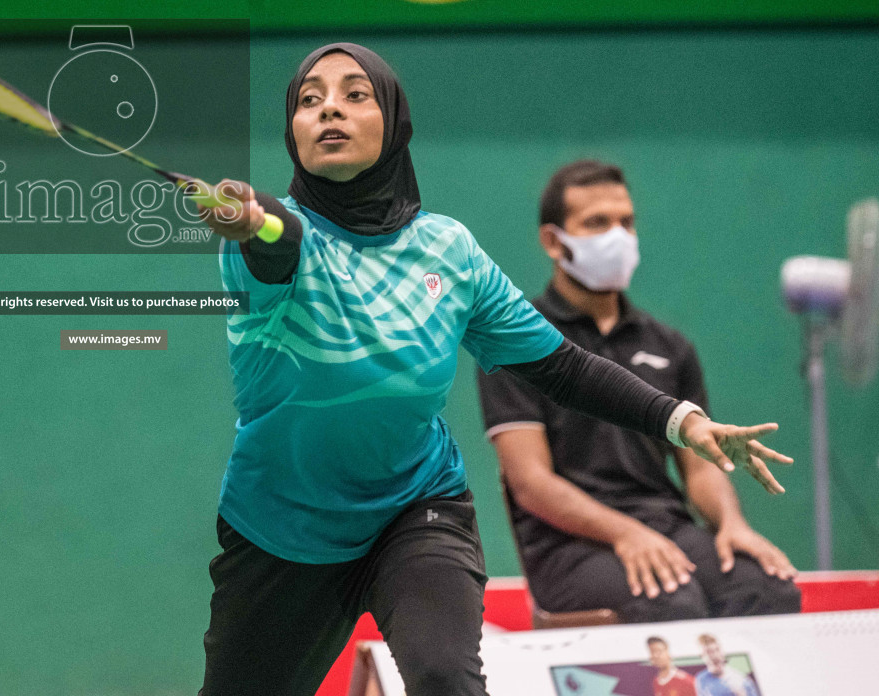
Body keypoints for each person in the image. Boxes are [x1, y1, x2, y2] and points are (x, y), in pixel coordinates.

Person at [192, 44, 791, 696]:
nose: (328, 107)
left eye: (355, 93)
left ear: (394, 121)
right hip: (282, 529)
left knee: (445, 674)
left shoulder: (447, 251)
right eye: (309, 100)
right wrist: (252, 219)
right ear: (292, 132)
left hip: (413, 509)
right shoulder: (274, 247)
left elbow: (561, 367)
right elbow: (278, 240)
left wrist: (680, 420)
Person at [478, 160, 801, 623]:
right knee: (671, 602)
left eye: (625, 222)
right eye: (596, 223)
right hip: (571, 547)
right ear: (553, 241)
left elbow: (701, 468)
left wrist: (732, 524)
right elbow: (530, 484)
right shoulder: (518, 340)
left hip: (669, 527)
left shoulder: (671, 347)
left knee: (768, 590)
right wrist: (624, 533)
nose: (617, 236)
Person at [693, 634, 760, 696]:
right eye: (708, 652)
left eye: (717, 650)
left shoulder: (743, 682)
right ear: (702, 656)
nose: (714, 655)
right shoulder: (701, 680)